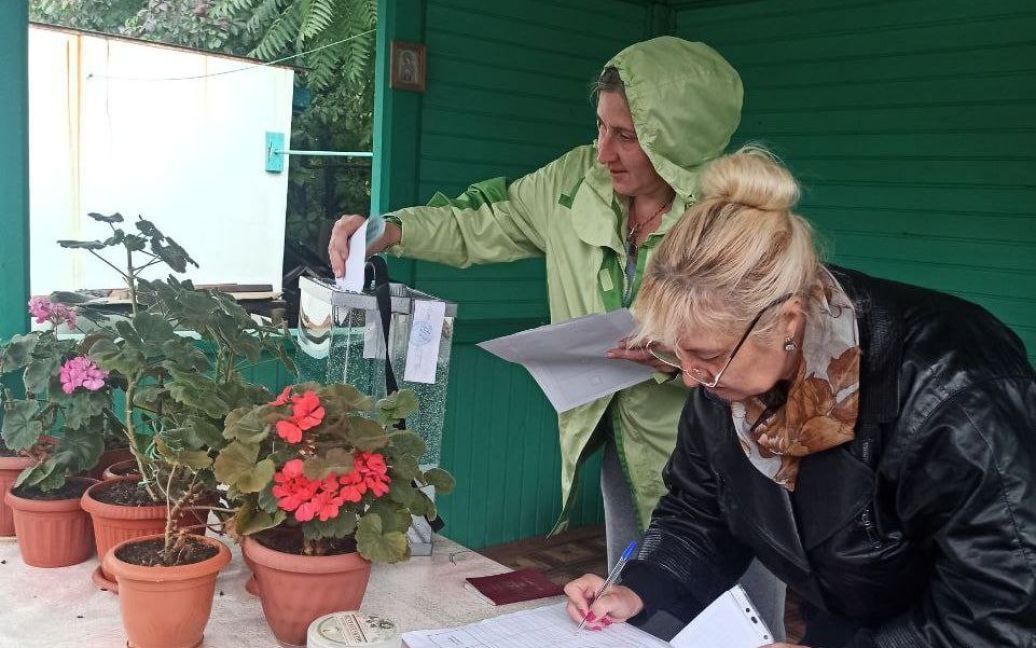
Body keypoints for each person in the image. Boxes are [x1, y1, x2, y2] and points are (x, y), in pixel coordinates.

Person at [328, 36, 785, 636]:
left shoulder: (730, 216)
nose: (603, 152)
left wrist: (676, 356)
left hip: (728, 450)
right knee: (638, 602)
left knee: (738, 617)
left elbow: (771, 340)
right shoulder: (573, 182)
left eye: (627, 136)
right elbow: (486, 219)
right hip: (623, 438)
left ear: (678, 142)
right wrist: (391, 229)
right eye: (600, 127)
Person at [562, 146, 1036, 646]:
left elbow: (1006, 604)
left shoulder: (953, 391)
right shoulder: (728, 376)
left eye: (707, 355)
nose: (691, 379)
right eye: (674, 353)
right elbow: (698, 516)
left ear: (788, 321)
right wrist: (639, 588)